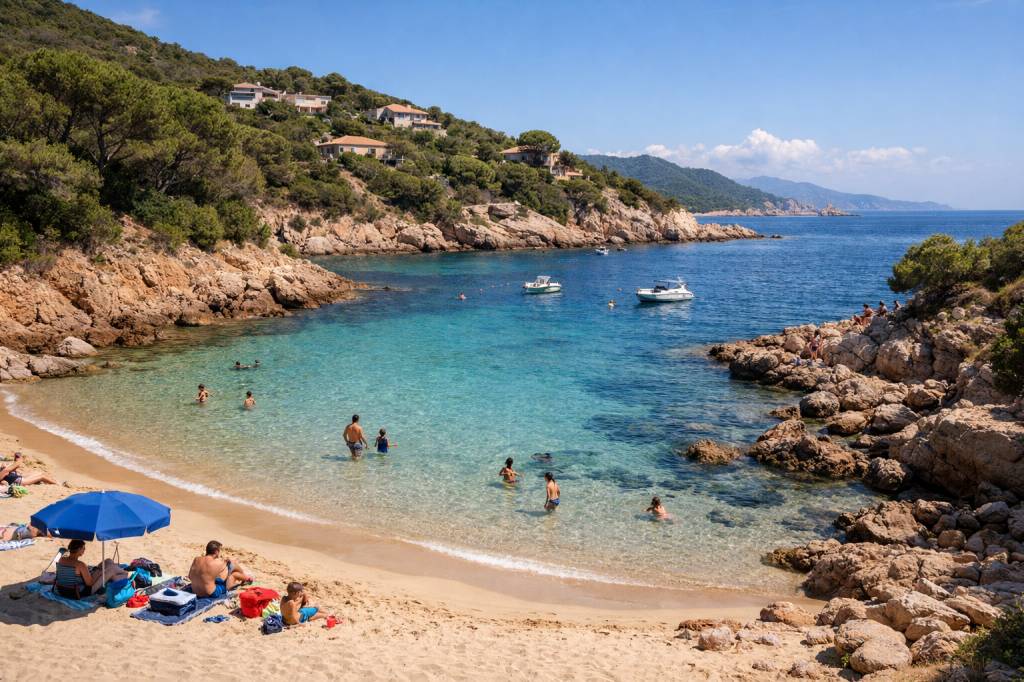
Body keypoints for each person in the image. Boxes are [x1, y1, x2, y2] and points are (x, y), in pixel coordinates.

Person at [54, 539, 128, 599]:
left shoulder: (62, 559)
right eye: (83, 548)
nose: (84, 550)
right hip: (78, 593)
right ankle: (125, 573)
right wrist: (99, 572)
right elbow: (90, 583)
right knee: (111, 570)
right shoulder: (80, 565)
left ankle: (119, 571)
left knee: (108, 561)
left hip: (62, 590)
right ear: (79, 549)